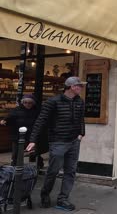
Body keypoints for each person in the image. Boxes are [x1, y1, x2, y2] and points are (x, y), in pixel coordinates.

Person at [26, 76, 86, 211]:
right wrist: (33, 140)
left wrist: (81, 133)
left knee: (70, 171)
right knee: (53, 171)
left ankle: (63, 199)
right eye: (79, 86)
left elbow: (81, 119)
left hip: (74, 142)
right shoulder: (53, 102)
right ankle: (45, 194)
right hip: (58, 141)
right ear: (72, 87)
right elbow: (40, 121)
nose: (81, 88)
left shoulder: (80, 102)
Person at [0, 94, 41, 166]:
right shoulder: (17, 110)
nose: (27, 104)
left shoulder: (36, 111)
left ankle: (37, 166)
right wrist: (4, 120)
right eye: (25, 102)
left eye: (30, 103)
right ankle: (14, 167)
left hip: (31, 134)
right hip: (17, 134)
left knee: (34, 151)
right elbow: (9, 117)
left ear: (33, 103)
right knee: (16, 153)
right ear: (23, 102)